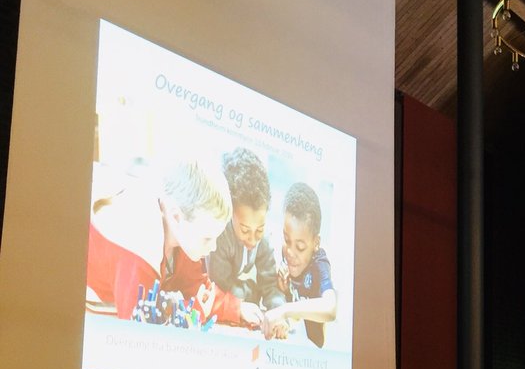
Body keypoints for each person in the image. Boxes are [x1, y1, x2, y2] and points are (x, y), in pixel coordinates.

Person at [86, 157, 256, 326]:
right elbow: (138, 333)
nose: (213, 247)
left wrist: (236, 308)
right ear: (176, 217)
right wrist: (193, 316)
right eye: (207, 238)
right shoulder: (138, 251)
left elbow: (197, 288)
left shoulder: (182, 227)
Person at [208, 148, 285, 318]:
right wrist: (251, 291)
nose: (252, 239)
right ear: (230, 212)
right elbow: (222, 287)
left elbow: (271, 285)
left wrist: (279, 314)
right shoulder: (219, 236)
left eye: (259, 229)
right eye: (244, 230)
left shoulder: (263, 239)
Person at [263, 182, 337, 347]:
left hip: (315, 354)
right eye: (287, 240)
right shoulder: (283, 254)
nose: (290, 252)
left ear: (315, 243)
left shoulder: (320, 263)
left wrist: (284, 310)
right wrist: (283, 290)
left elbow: (331, 309)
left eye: (301, 247)